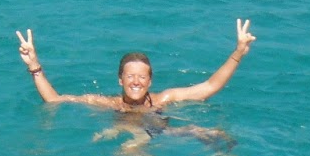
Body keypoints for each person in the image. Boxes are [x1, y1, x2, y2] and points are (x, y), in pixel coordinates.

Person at [14, 20, 255, 111]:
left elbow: (210, 86)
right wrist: (34, 66)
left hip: (164, 132)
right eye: (130, 76)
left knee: (211, 135)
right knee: (130, 149)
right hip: (133, 135)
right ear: (120, 79)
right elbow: (54, 100)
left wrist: (238, 53)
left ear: (150, 81)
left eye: (142, 77)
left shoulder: (164, 99)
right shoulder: (107, 104)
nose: (136, 82)